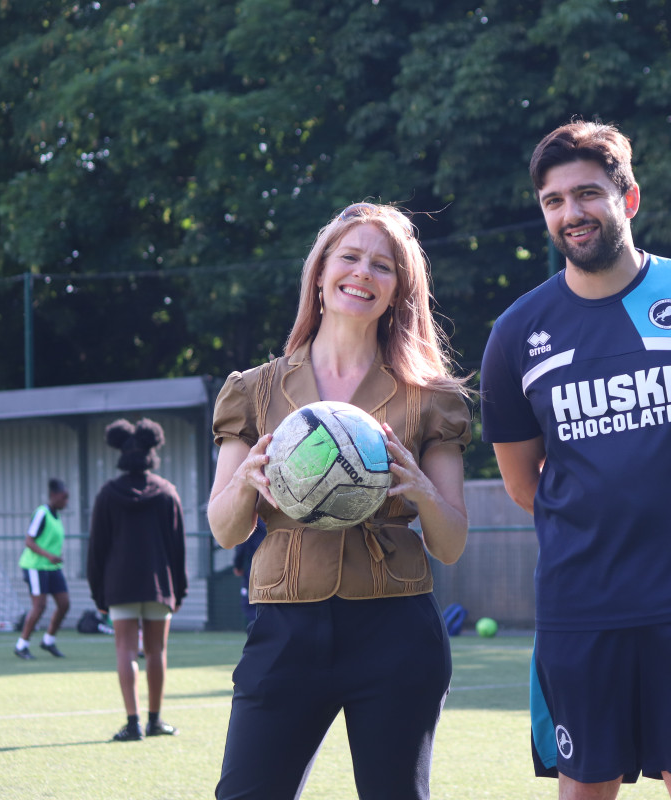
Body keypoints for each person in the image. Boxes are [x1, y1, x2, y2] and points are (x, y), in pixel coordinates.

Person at [480, 121, 671, 800]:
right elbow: (523, 483)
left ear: (629, 199)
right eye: (554, 201)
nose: (571, 213)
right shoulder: (516, 334)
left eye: (587, 194)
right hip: (581, 605)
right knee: (585, 789)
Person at [209, 201, 473, 800]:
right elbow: (225, 531)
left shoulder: (431, 399)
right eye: (349, 257)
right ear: (321, 274)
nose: (364, 273)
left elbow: (451, 544)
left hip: (396, 632)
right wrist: (247, 480)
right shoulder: (253, 391)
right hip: (285, 627)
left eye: (383, 266)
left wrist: (421, 488)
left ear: (398, 291)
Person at [88, 418, 188, 742]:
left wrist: (97, 591)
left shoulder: (107, 495)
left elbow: (96, 549)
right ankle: (155, 720)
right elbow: (178, 548)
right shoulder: (167, 494)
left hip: (119, 586)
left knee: (125, 650)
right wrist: (179, 589)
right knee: (156, 651)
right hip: (159, 586)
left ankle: (132, 724)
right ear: (150, 453)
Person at [15, 478, 72, 660]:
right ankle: (22, 645)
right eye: (64, 497)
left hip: (52, 567)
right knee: (40, 606)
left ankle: (48, 640)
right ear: (54, 496)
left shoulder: (57, 516)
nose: (66, 501)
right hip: (35, 566)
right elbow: (29, 541)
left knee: (64, 604)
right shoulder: (42, 513)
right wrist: (49, 556)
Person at [231, 517, 267, 626]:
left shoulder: (252, 514)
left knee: (250, 605)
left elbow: (242, 541)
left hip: (256, 567)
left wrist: (238, 564)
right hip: (279, 566)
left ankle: (259, 633)